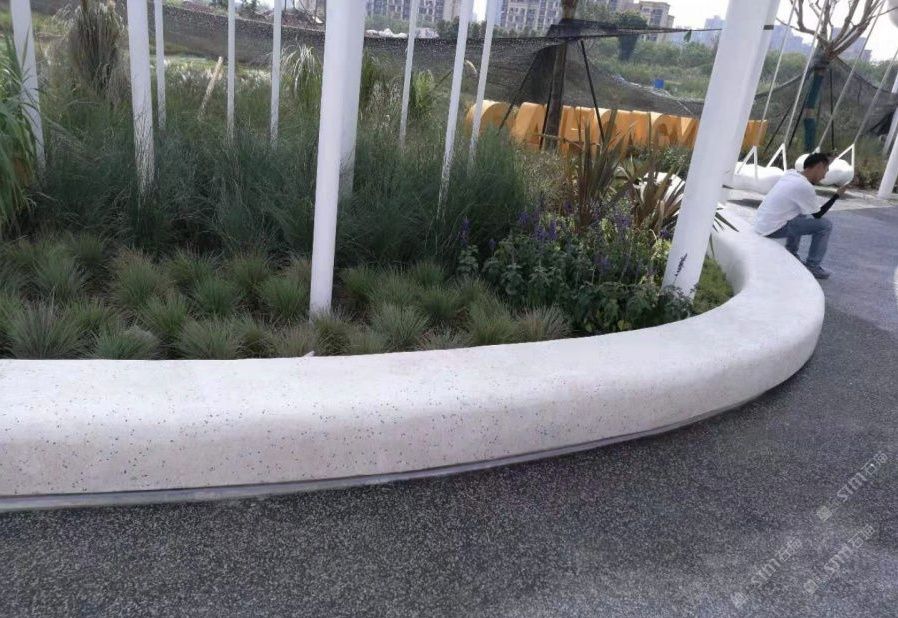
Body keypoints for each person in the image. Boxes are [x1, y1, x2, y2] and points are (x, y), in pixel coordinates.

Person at [753, 152, 848, 280]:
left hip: (762, 223)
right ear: (819, 166)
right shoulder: (804, 186)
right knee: (825, 225)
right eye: (826, 170)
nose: (824, 176)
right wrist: (836, 195)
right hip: (772, 229)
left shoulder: (791, 174)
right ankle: (813, 266)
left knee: (802, 213)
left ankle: (792, 253)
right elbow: (818, 215)